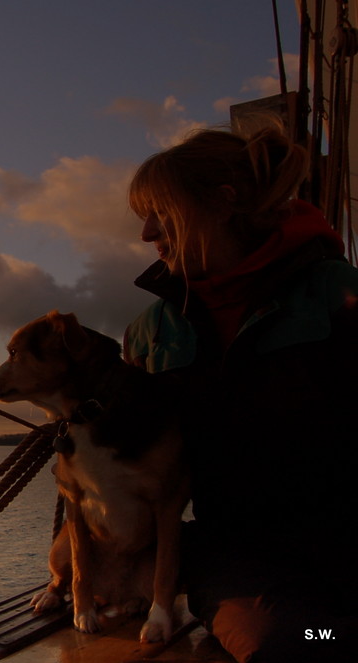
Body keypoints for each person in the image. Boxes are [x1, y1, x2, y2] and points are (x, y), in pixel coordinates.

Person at [123, 124, 358, 663]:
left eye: (161, 212)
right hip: (241, 554)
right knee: (293, 644)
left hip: (346, 535)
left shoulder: (338, 295)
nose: (146, 234)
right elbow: (124, 460)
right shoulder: (150, 333)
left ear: (223, 203)